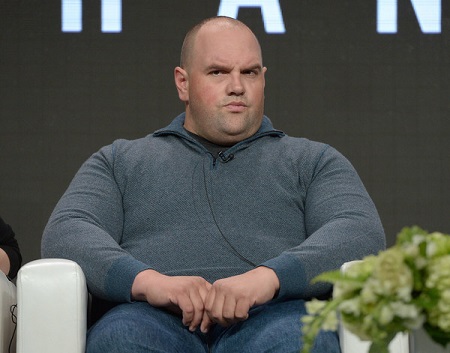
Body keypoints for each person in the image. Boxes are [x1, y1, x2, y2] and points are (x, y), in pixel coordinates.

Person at [42, 16, 385, 353]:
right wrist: (150, 284)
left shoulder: (313, 160)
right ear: (183, 83)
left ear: (263, 79)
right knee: (123, 339)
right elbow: (67, 231)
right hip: (148, 319)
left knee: (298, 341)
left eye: (249, 72)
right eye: (218, 72)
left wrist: (268, 279)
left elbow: (359, 231)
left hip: (277, 317)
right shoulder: (121, 161)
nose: (237, 86)